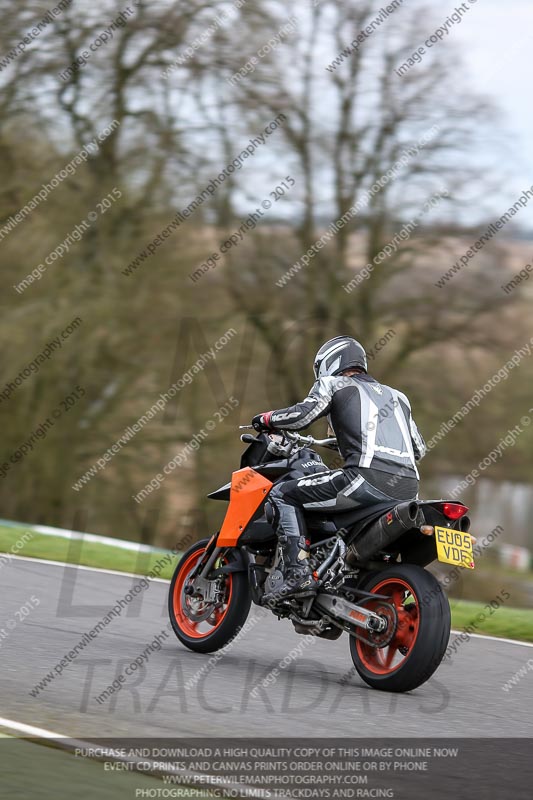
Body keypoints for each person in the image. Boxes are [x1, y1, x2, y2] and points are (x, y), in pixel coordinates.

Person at [251, 335, 426, 601]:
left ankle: (297, 574)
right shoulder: (399, 397)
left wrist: (267, 419)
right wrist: (346, 442)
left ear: (329, 362)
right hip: (408, 490)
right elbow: (418, 450)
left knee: (281, 495)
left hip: (364, 480)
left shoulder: (333, 383)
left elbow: (303, 415)